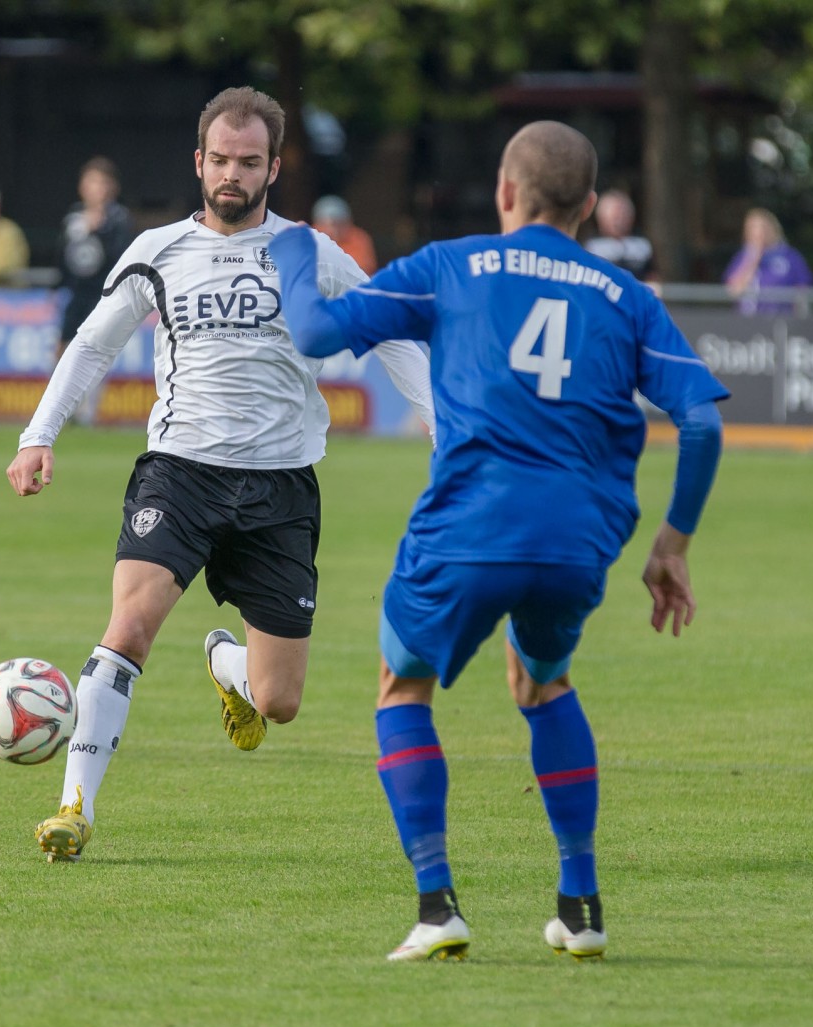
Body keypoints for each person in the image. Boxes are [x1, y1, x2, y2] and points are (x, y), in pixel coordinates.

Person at [271, 120, 728, 962]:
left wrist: (298, 250)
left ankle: (437, 903)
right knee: (543, 680)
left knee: (401, 687)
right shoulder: (629, 296)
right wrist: (672, 544)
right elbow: (699, 421)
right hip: (580, 539)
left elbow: (315, 332)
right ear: (590, 206)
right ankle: (581, 906)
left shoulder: (451, 266)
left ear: (504, 192)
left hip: (470, 526)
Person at [5, 86, 434, 864]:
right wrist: (40, 435)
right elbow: (93, 344)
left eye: (249, 161)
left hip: (280, 484)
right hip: (181, 471)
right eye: (220, 160)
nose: (232, 174)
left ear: (274, 166)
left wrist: (444, 421)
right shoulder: (158, 250)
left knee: (280, 700)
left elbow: (388, 329)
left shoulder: (308, 249)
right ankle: (74, 805)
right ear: (198, 161)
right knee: (129, 624)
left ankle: (225, 662)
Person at [56, 157, 133, 425]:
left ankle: (89, 411)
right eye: (91, 182)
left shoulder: (118, 220)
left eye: (102, 183)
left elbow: (120, 256)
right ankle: (64, 410)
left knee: (97, 349)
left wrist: (99, 230)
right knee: (64, 348)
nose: (96, 189)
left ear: (112, 188)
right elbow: (64, 256)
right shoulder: (73, 217)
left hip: (103, 296)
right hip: (76, 294)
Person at [724, 208, 813, 316]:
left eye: (762, 227)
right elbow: (733, 291)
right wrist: (753, 258)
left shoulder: (790, 256)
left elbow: (803, 291)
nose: (759, 233)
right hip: (748, 321)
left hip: (781, 320)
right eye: (752, 228)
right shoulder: (742, 257)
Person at [582, 189, 653, 281]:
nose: (619, 220)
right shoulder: (591, 246)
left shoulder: (642, 245)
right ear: (601, 217)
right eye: (615, 215)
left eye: (623, 214)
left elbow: (653, 276)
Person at [312, 195, 377, 275]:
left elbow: (364, 269)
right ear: (317, 224)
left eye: (339, 224)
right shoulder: (310, 237)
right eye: (327, 224)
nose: (333, 229)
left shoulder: (358, 238)